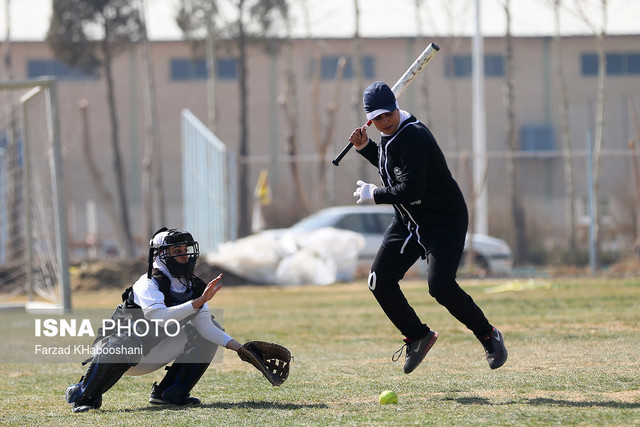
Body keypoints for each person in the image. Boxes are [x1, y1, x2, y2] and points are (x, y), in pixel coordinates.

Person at [348, 81, 507, 374]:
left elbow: (412, 188)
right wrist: (365, 148)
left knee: (441, 286)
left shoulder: (415, 136)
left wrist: (377, 195)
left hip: (443, 221)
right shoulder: (390, 136)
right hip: (409, 221)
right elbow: (391, 167)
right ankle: (417, 335)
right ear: (370, 118)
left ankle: (488, 335)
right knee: (378, 280)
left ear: (397, 108)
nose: (384, 122)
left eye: (388, 115)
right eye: (377, 118)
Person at [65, 228, 285, 413]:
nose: (184, 256)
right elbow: (159, 317)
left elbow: (206, 327)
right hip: (115, 348)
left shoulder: (193, 286)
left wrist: (240, 348)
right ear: (160, 254)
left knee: (207, 330)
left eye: (185, 251)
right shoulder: (148, 283)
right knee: (128, 343)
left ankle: (171, 393)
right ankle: (84, 395)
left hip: (152, 350)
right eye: (176, 251)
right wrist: (198, 301)